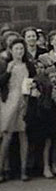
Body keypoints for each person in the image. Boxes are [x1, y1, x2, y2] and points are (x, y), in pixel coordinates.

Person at [0, 38, 36, 182]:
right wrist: (7, 72)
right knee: (7, 136)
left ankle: (24, 170)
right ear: (11, 50)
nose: (19, 52)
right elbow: (1, 82)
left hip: (24, 100)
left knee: (23, 134)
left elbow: (33, 80)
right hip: (10, 101)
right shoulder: (6, 65)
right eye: (16, 49)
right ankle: (1, 169)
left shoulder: (28, 65)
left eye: (21, 49)